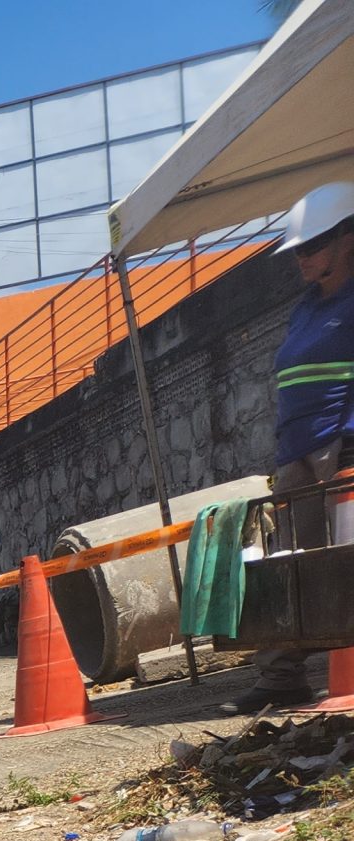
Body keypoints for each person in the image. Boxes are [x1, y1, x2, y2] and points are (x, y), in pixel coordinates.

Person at [234, 179, 354, 714]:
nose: (301, 258)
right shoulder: (305, 308)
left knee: (342, 557)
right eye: (298, 250)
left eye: (313, 246)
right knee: (290, 562)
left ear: (346, 238)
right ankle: (282, 676)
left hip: (341, 445)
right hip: (297, 450)